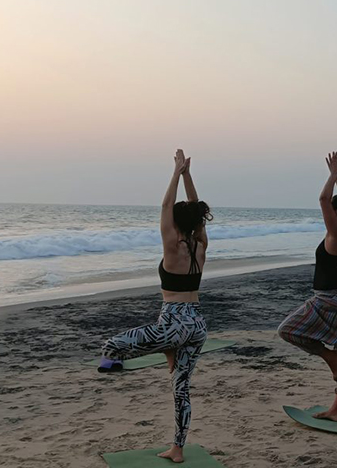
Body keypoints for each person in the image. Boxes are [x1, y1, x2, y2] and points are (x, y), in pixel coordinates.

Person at [99, 149, 211, 463]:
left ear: (176, 221)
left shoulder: (172, 244)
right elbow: (196, 214)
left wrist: (176, 171)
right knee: (181, 388)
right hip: (197, 324)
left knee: (111, 347)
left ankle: (118, 364)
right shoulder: (199, 245)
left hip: (173, 323)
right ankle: (178, 448)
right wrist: (188, 176)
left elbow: (165, 206)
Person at [278, 152, 337, 422]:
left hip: (329, 302)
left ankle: (329, 356)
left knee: (288, 330)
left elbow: (322, 200)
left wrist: (331, 175)